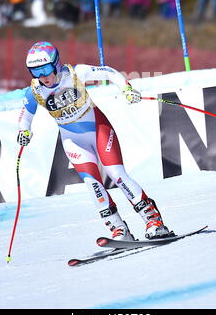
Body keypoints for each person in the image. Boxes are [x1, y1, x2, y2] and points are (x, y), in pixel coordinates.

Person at [17, 41, 170, 241]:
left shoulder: (76, 73)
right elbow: (25, 116)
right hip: (72, 139)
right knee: (93, 184)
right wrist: (24, 131)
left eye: (46, 69)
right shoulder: (35, 90)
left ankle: (154, 222)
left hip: (98, 129)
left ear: (56, 63)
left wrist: (126, 88)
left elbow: (109, 72)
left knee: (117, 174)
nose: (43, 76)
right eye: (35, 72)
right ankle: (119, 230)